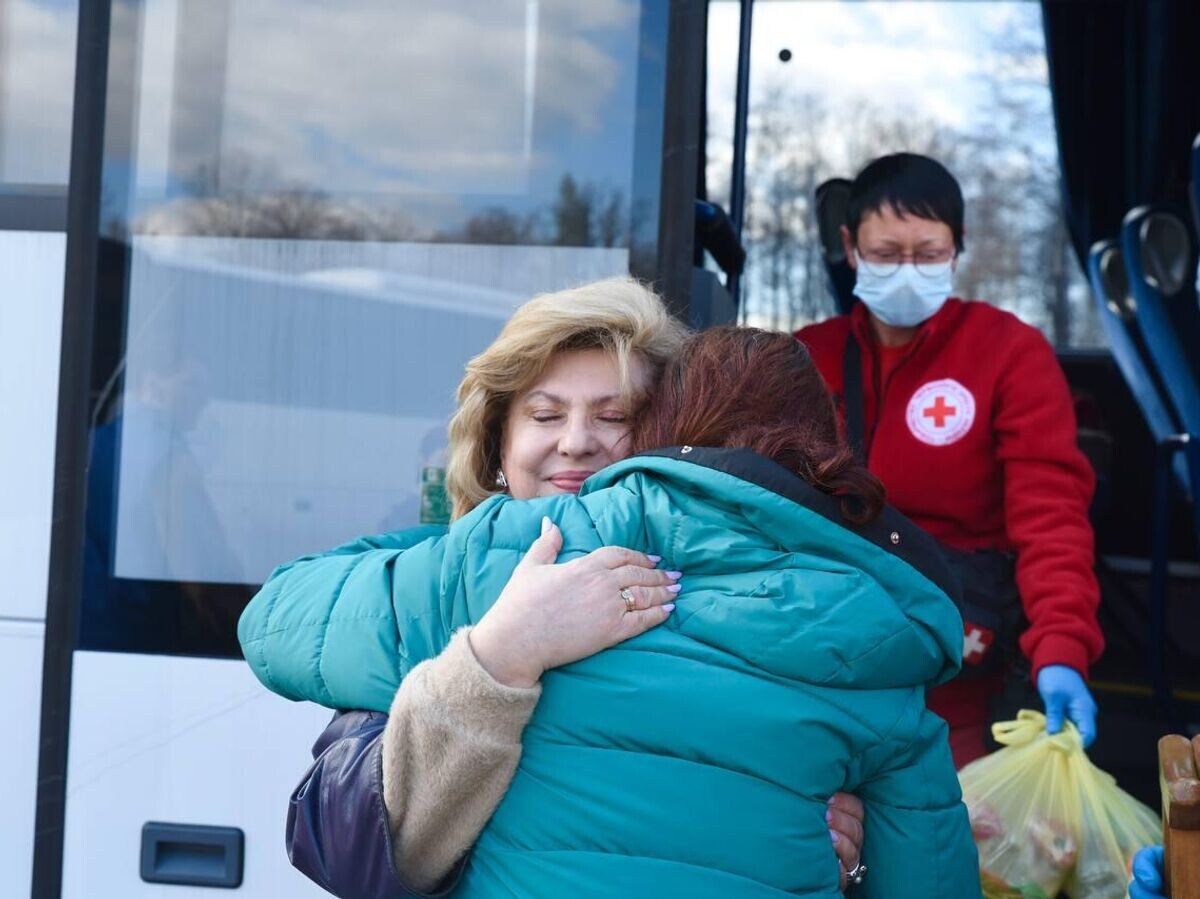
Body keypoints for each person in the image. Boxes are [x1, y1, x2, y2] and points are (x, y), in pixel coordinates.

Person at [242, 323, 980, 897]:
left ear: (659, 425)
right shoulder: (881, 628)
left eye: (612, 416)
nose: (576, 444)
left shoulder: (524, 550)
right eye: (545, 414)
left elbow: (274, 624)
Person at [796, 153, 1104, 768]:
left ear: (956, 249)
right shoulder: (806, 358)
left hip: (957, 674)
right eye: (886, 253)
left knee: (949, 814)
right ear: (850, 247)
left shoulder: (1007, 353)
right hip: (821, 662)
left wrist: (1061, 649)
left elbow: (1051, 518)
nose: (907, 271)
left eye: (929, 253)